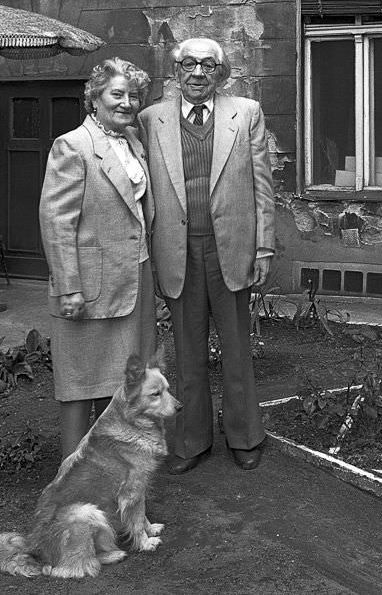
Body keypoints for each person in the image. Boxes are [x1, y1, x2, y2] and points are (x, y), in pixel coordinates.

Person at [138, 37, 274, 472]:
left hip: (229, 248)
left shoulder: (245, 113)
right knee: (186, 349)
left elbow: (262, 187)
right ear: (176, 72)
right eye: (189, 65)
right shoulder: (150, 119)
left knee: (237, 348)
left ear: (221, 73)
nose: (198, 73)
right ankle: (191, 441)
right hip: (176, 249)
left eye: (208, 66)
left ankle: (245, 436)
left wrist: (264, 246)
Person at [38, 57, 156, 459]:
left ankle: (116, 470)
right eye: (117, 94)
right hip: (88, 285)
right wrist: (68, 286)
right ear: (95, 98)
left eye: (133, 96)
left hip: (135, 276)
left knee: (125, 380)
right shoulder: (73, 145)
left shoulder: (133, 142)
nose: (126, 102)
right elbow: (56, 221)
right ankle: (74, 481)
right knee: (81, 383)